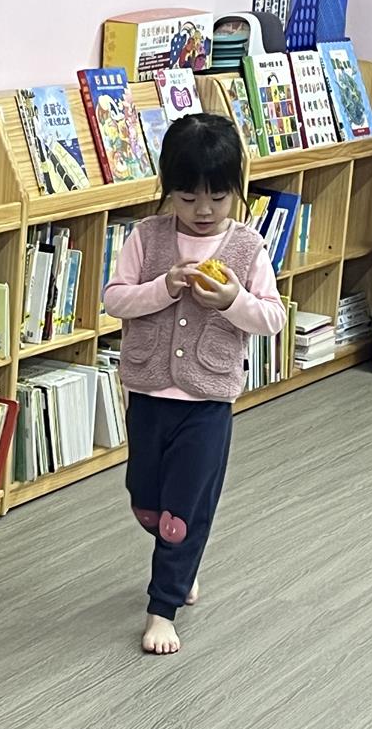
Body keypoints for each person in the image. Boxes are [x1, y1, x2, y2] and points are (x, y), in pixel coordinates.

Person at [104, 113, 287, 655]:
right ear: (169, 190)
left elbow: (272, 318)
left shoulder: (248, 248)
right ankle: (181, 560)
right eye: (187, 198)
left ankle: (163, 606)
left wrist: (232, 301)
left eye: (218, 197)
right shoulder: (147, 237)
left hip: (208, 401)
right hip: (148, 393)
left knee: (183, 511)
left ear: (237, 190)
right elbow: (115, 299)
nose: (203, 210)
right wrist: (163, 287)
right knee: (146, 501)